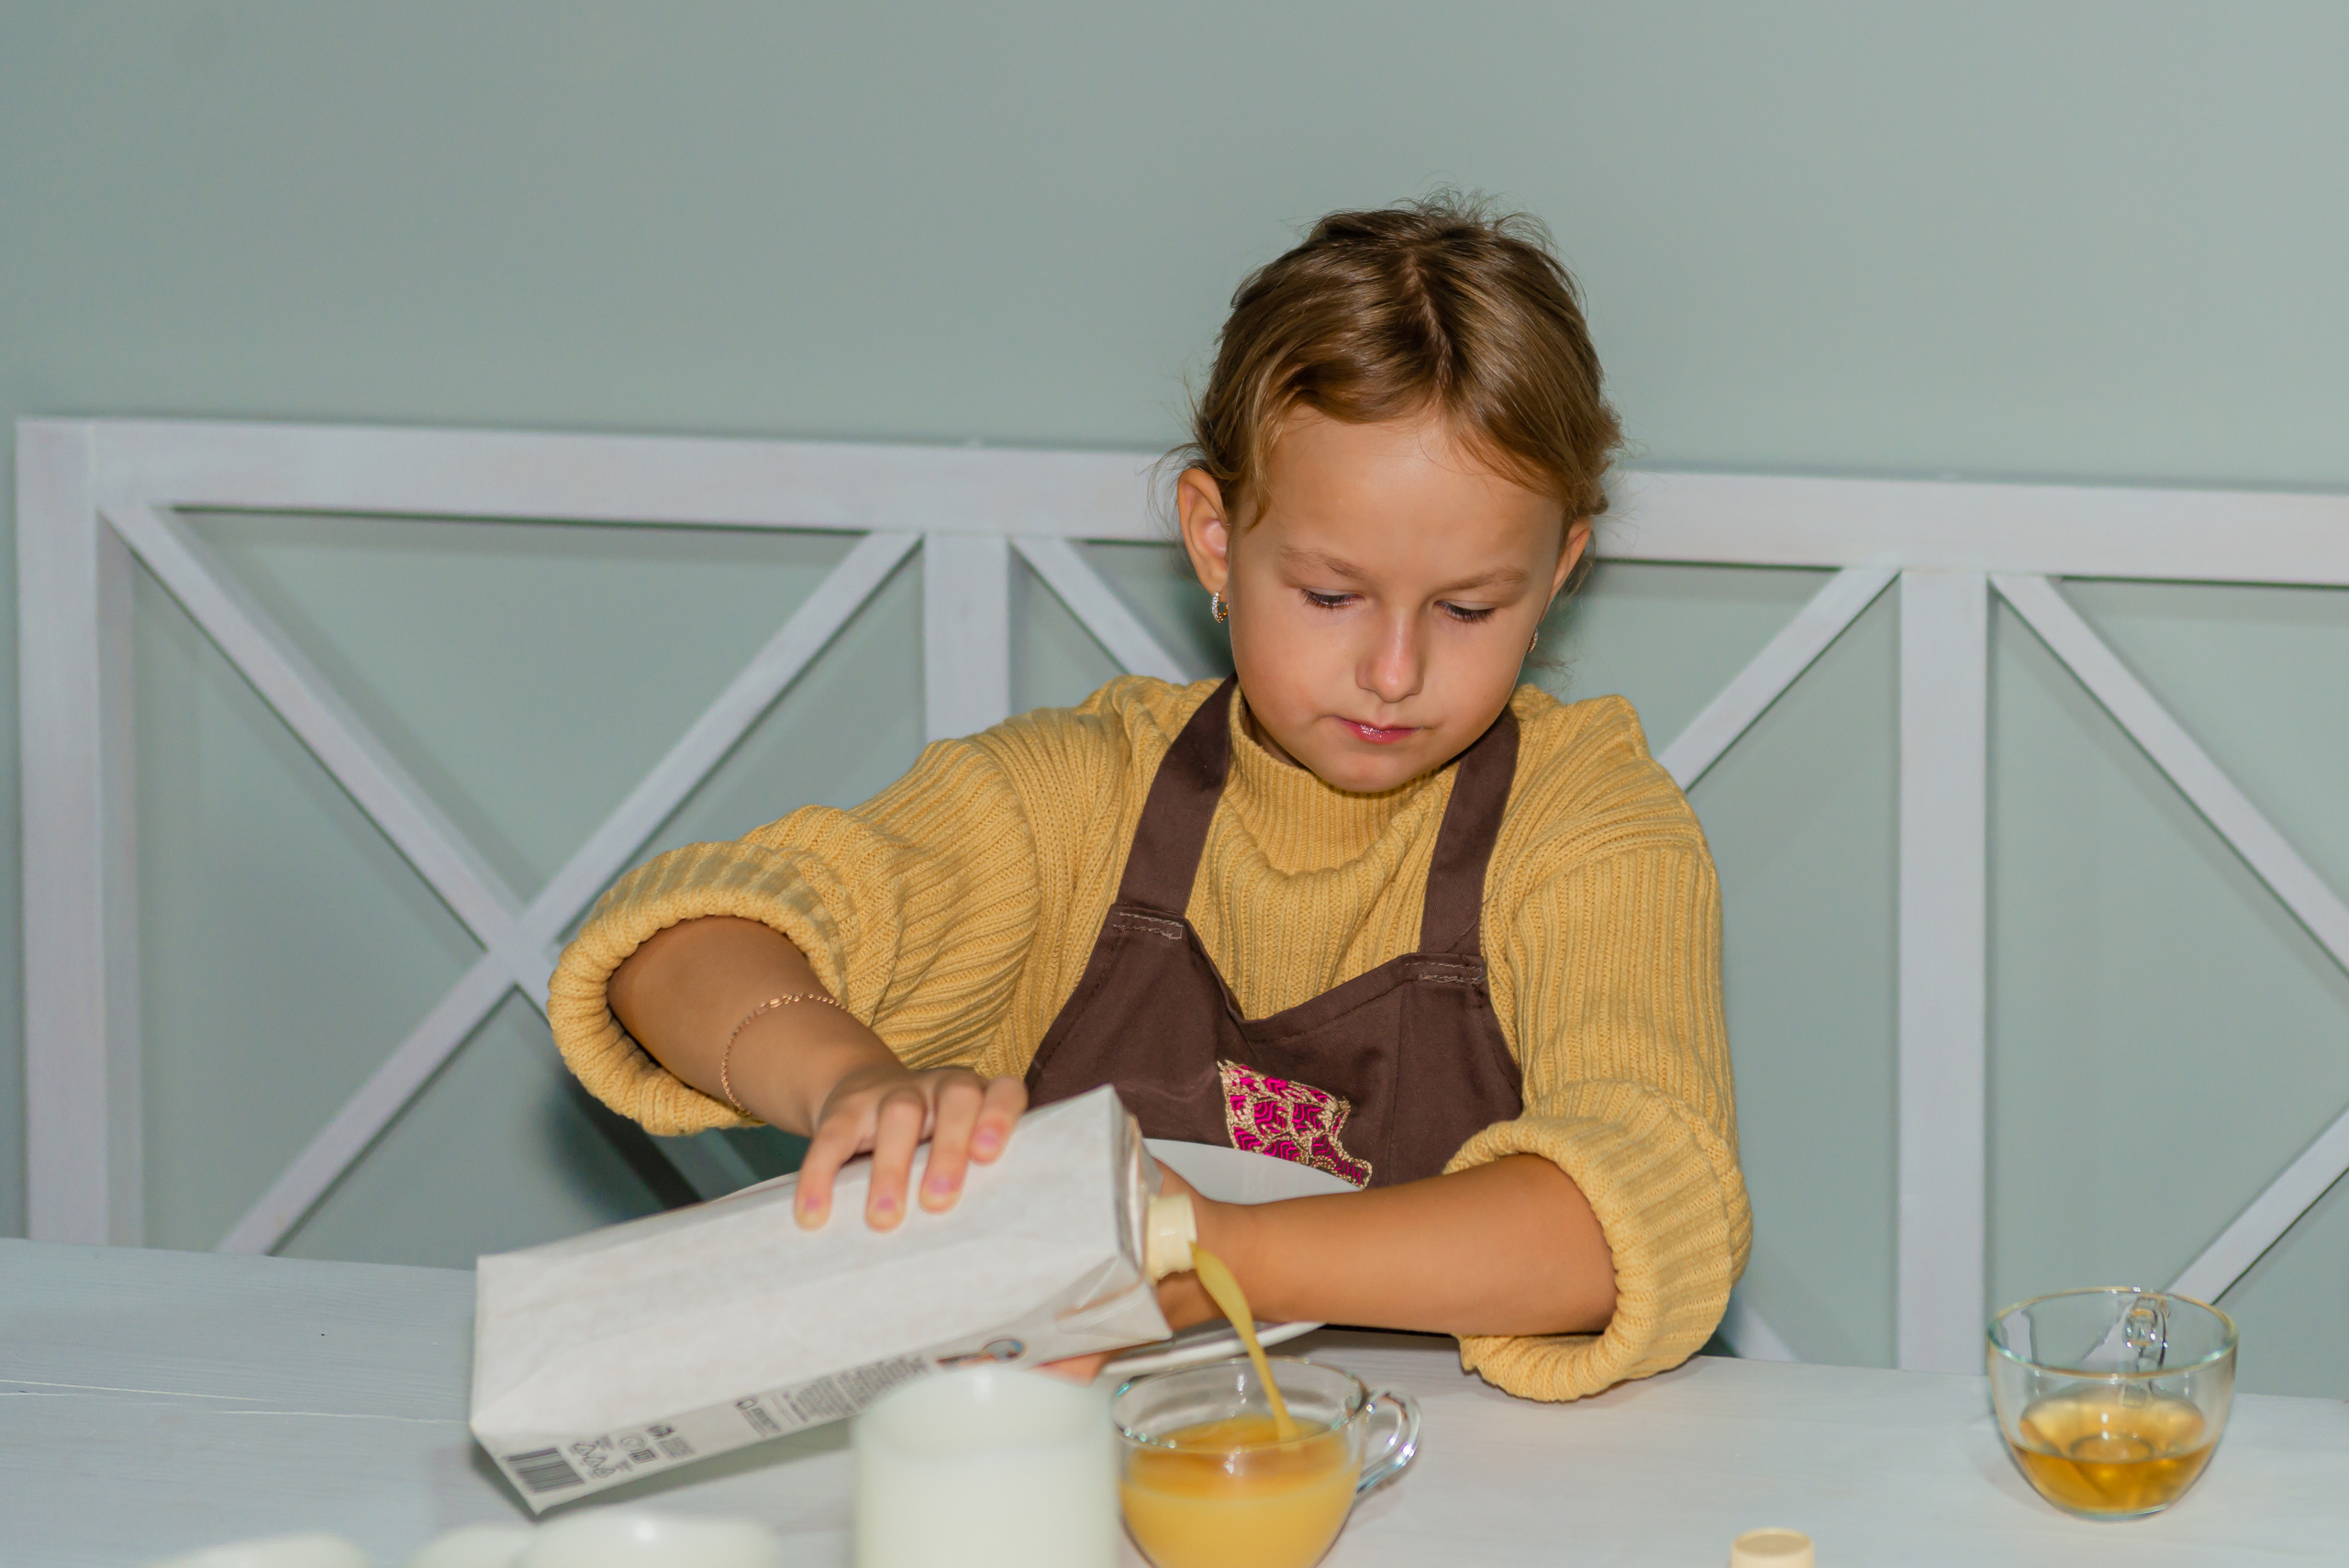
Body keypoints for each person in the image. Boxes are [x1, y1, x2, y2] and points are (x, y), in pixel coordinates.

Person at [550, 195, 1749, 1399]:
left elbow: (1640, 1209)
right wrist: (851, 1086)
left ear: (1559, 573)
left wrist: (1220, 1253)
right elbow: (676, 946)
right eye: (1332, 595)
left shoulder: (1588, 823)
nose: (1395, 670)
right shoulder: (1090, 798)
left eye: (1470, 607)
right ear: (1217, 540)